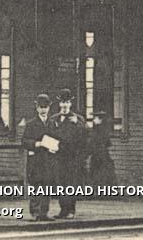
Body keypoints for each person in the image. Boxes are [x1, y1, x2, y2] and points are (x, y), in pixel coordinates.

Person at [50, 89, 85, 219]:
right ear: (59, 104)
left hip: (73, 157)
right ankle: (62, 209)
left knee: (71, 184)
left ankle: (71, 209)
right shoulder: (54, 119)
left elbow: (86, 135)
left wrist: (77, 123)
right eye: (62, 102)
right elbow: (48, 135)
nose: (64, 105)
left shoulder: (78, 119)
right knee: (60, 183)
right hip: (58, 156)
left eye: (67, 102)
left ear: (71, 104)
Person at [22, 94, 56, 220]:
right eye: (41, 107)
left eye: (45, 107)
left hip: (48, 159)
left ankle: (44, 212)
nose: (43, 110)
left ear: (49, 108)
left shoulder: (52, 123)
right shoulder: (31, 124)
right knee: (36, 186)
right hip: (36, 160)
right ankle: (35, 212)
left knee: (47, 186)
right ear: (37, 108)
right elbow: (24, 141)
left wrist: (55, 147)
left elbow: (57, 138)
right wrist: (37, 144)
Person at [87, 111, 116, 188]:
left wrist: (90, 151)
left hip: (99, 155)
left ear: (100, 120)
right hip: (100, 154)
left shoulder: (100, 130)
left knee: (100, 172)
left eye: (95, 118)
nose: (93, 120)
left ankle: (101, 191)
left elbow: (97, 143)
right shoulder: (101, 129)